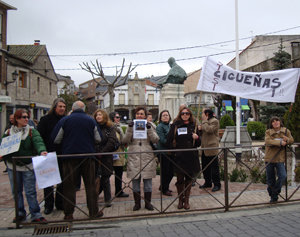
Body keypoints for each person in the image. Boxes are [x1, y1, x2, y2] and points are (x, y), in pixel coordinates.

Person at [51, 101, 103, 220]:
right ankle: (93, 212)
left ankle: (68, 214)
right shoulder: (91, 120)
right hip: (88, 157)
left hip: (69, 157)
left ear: (72, 109)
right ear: (84, 109)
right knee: (90, 185)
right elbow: (98, 139)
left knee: (69, 186)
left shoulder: (65, 120)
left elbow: (56, 139)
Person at [0, 109, 48, 223]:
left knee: (30, 191)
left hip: (28, 166)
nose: (26, 119)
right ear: (17, 119)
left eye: (27, 117)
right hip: (13, 166)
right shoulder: (8, 133)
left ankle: (35, 214)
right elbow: (4, 147)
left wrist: (42, 151)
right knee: (16, 191)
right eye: (24, 117)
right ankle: (20, 212)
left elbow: (38, 141)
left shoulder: (31, 131)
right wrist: (2, 155)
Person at [122, 107, 159, 211]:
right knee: (136, 183)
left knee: (148, 183)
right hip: (134, 156)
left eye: (142, 114)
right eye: (138, 114)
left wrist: (149, 128)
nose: (139, 115)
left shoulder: (150, 125)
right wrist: (129, 129)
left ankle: (148, 203)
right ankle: (137, 204)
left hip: (147, 155)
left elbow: (156, 139)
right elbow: (124, 140)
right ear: (135, 115)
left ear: (145, 116)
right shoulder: (131, 126)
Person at [167, 106, 201, 210]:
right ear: (180, 115)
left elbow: (199, 143)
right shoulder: (175, 125)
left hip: (191, 156)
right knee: (180, 179)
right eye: (183, 113)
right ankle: (180, 200)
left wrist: (197, 137)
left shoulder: (194, 126)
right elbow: (169, 140)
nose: (185, 115)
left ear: (190, 115)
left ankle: (186, 200)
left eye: (187, 113)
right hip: (179, 156)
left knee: (189, 179)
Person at [37, 98, 66, 215]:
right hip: (48, 154)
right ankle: (48, 205)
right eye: (60, 106)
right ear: (55, 107)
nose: (62, 109)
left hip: (62, 154)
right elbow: (39, 136)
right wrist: (42, 150)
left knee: (62, 181)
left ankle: (60, 203)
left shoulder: (65, 120)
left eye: (64, 107)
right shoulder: (45, 120)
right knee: (48, 182)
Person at [265, 116, 294, 203]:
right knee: (270, 180)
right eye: (273, 121)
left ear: (280, 122)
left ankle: (275, 192)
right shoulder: (268, 132)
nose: (275, 123)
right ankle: (273, 197)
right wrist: (280, 142)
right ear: (271, 124)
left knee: (282, 176)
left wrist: (287, 140)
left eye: (277, 121)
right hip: (270, 158)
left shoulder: (285, 131)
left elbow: (291, 140)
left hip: (280, 159)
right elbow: (268, 141)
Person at [94, 109, 119, 207]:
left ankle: (107, 199)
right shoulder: (93, 126)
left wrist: (102, 152)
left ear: (104, 116)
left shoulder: (110, 127)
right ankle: (94, 199)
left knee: (105, 178)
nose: (98, 117)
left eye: (100, 115)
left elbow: (112, 141)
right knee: (95, 178)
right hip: (95, 156)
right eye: (97, 115)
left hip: (106, 156)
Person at [199, 108, 221, 192]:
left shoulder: (214, 121)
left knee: (214, 167)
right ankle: (207, 182)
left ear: (207, 114)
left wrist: (204, 122)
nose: (201, 115)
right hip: (204, 148)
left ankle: (217, 184)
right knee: (205, 167)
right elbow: (203, 132)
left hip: (212, 148)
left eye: (203, 113)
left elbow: (209, 130)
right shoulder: (205, 122)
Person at [109, 112, 129, 198]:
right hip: (112, 155)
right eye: (117, 117)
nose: (119, 119)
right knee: (107, 175)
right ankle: (97, 192)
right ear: (113, 118)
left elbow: (123, 140)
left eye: (119, 117)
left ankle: (118, 191)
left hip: (119, 154)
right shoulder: (111, 128)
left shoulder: (119, 128)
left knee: (118, 174)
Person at [156, 110, 173, 196]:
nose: (165, 116)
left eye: (167, 115)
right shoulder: (159, 126)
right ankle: (164, 189)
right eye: (163, 115)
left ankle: (163, 186)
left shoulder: (170, 126)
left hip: (170, 152)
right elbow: (162, 140)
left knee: (171, 171)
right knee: (165, 171)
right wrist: (173, 144)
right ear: (161, 118)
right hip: (163, 152)